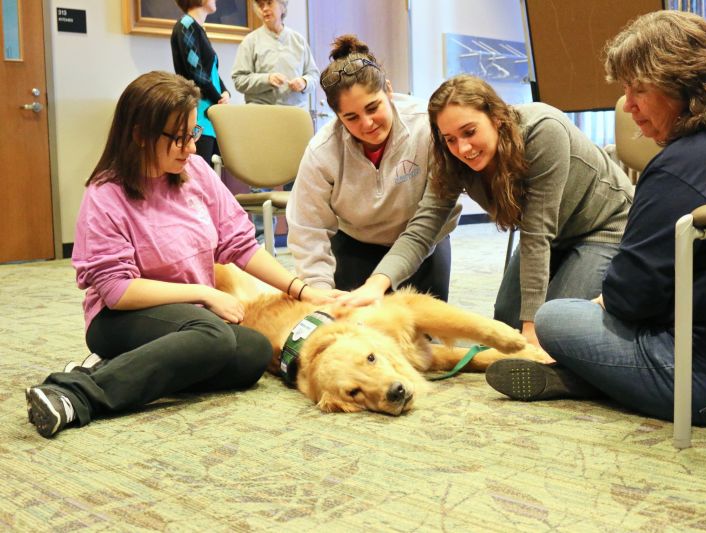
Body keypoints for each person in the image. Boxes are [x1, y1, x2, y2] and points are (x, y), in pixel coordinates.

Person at [486, 11, 706, 427]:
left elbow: (629, 300)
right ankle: (595, 377)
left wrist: (599, 305)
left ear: (684, 85)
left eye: (639, 90)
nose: (628, 106)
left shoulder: (678, 169)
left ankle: (588, 377)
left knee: (554, 318)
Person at [24, 71, 337, 439]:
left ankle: (122, 368)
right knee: (214, 337)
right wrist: (204, 293)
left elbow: (240, 244)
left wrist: (302, 290)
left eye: (193, 133)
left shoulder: (196, 172)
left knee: (252, 352)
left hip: (189, 322)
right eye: (178, 138)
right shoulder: (105, 194)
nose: (190, 148)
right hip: (119, 318)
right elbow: (116, 291)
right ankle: (77, 394)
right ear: (139, 135)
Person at [350, 74, 633, 349]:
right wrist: (377, 284)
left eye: (470, 132)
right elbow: (422, 229)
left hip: (603, 227)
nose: (463, 148)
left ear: (496, 118)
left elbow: (537, 232)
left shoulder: (544, 130)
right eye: (449, 138)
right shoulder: (450, 156)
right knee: (507, 322)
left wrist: (533, 332)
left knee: (555, 329)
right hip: (556, 235)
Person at [286, 35, 459, 299]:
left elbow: (439, 211)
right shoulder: (323, 151)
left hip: (423, 245)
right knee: (357, 329)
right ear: (337, 116)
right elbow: (308, 228)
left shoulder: (428, 127)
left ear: (388, 90)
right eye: (351, 117)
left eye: (373, 107)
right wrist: (317, 292)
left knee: (425, 334)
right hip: (357, 245)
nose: (367, 124)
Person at [170, 0, 230, 166]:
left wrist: (225, 93)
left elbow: (212, 73)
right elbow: (196, 72)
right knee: (198, 176)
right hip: (199, 117)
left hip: (209, 116)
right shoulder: (187, 24)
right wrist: (218, 98)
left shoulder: (198, 28)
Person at [231, 0, 319, 107]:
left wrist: (304, 82)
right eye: (261, 5)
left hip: (293, 116)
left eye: (269, 3)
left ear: (282, 6)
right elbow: (239, 80)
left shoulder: (298, 40)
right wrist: (267, 79)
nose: (264, 9)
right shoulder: (250, 42)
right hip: (261, 115)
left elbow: (313, 75)